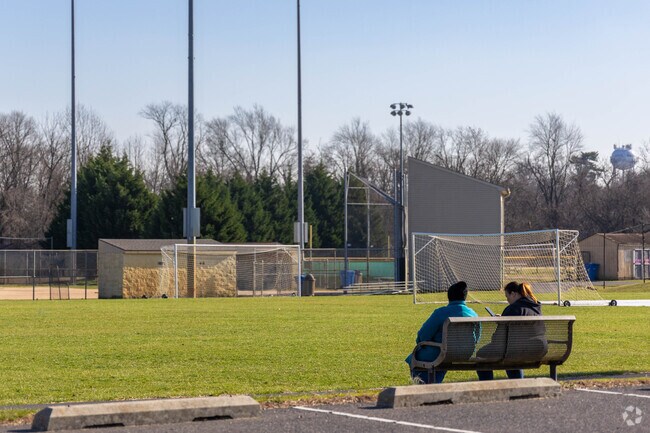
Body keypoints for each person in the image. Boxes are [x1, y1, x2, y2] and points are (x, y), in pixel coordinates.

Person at [405, 281, 478, 384]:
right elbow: (477, 337)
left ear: (449, 296)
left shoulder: (440, 313)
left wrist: (420, 343)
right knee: (441, 357)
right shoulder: (473, 314)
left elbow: (423, 336)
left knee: (414, 358)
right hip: (466, 353)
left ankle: (428, 387)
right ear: (465, 297)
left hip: (441, 353)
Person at [477, 281, 545, 380]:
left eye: (507, 296)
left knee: (482, 354)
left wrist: (501, 323)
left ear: (513, 294)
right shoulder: (535, 306)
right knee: (511, 352)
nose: (507, 300)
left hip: (517, 349)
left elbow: (499, 338)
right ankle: (518, 384)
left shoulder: (512, 309)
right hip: (538, 348)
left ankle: (487, 385)